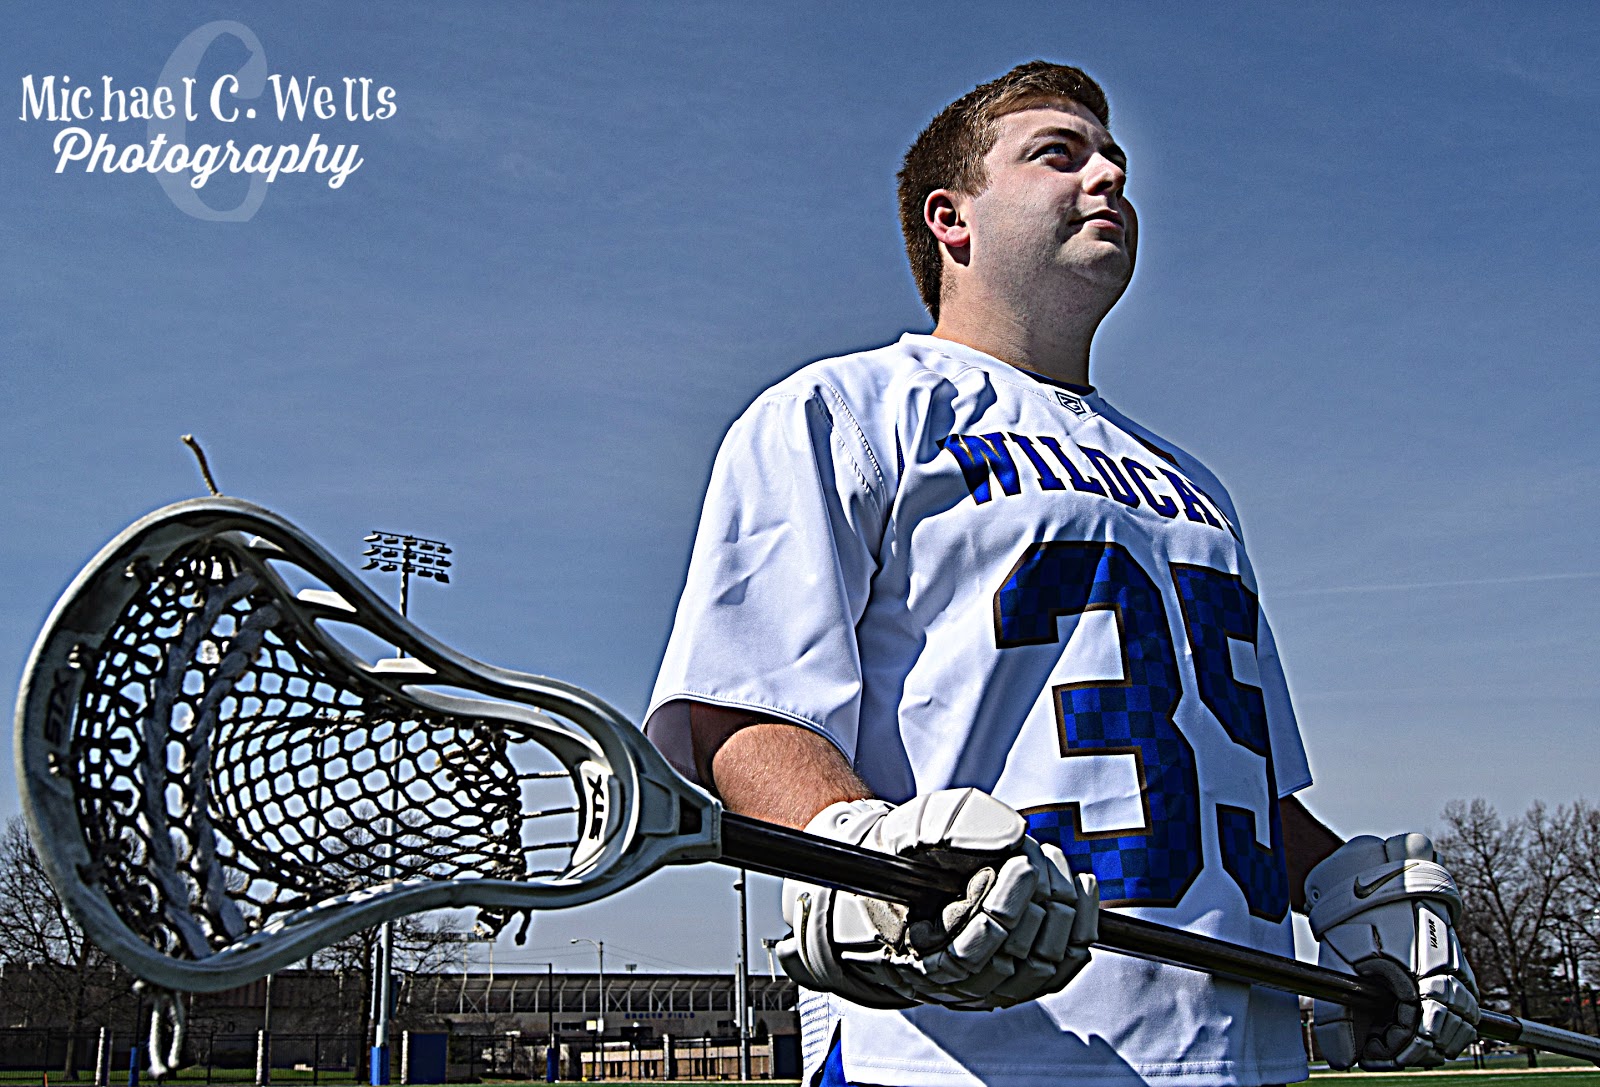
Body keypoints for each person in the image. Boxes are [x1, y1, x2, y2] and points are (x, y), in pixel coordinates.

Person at [645, 61, 1478, 1087]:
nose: (1109, 176)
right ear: (950, 218)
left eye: (1115, 159)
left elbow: (1221, 767)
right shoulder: (846, 411)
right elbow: (744, 708)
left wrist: (1346, 887)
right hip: (969, 1046)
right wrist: (858, 852)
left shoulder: (1193, 482)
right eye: (1059, 153)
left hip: (1240, 1048)